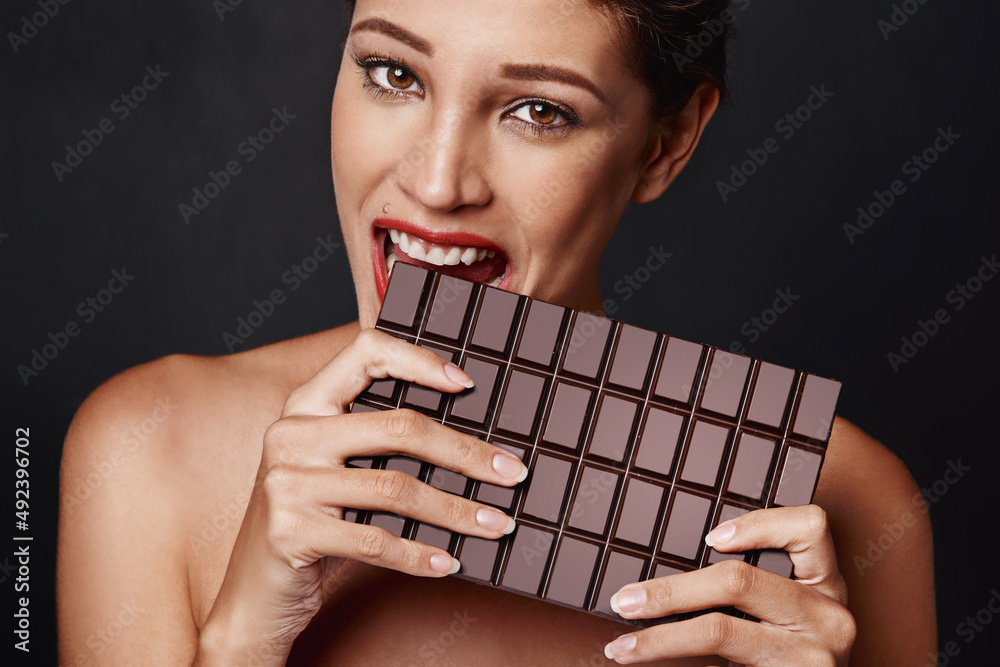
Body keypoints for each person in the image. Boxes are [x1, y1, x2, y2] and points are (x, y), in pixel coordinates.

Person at [57, 0, 935, 664]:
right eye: (394, 75)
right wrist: (241, 638)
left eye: (539, 111)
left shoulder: (843, 497)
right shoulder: (147, 447)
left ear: (666, 142)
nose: (436, 183)